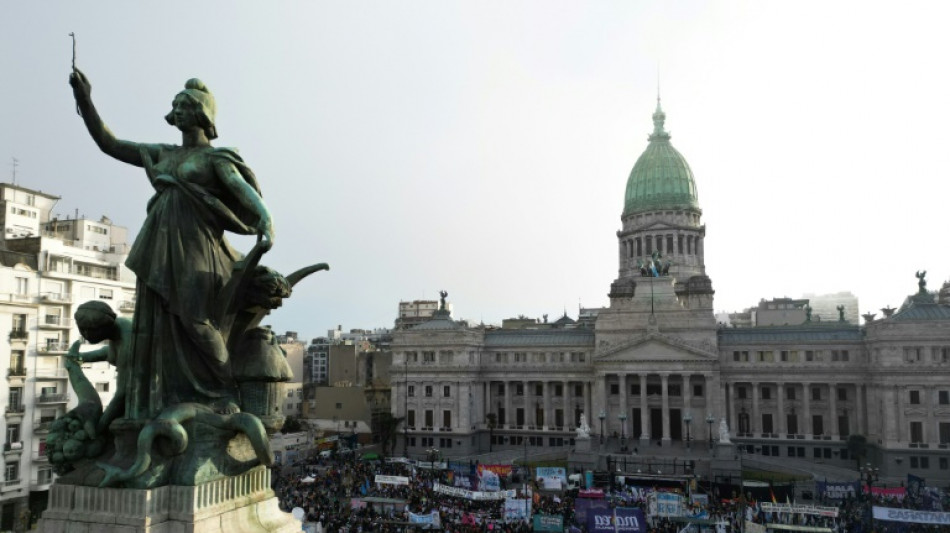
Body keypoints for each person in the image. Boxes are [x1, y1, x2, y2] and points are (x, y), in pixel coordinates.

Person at [69, 70, 274, 419]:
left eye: (184, 105)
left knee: (197, 321)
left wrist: (266, 223)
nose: (177, 110)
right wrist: (85, 100)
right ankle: (160, 398)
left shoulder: (215, 159)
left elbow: (247, 195)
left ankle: (223, 390)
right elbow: (109, 143)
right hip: (158, 247)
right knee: (157, 325)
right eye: (174, 105)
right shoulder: (161, 153)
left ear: (202, 113)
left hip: (196, 248)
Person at [65, 301, 132, 435]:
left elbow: (122, 393)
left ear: (105, 326)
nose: (86, 334)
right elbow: (109, 353)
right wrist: (80, 358)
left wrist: (101, 426)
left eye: (92, 329)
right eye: (82, 329)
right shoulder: (117, 328)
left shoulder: (128, 341)